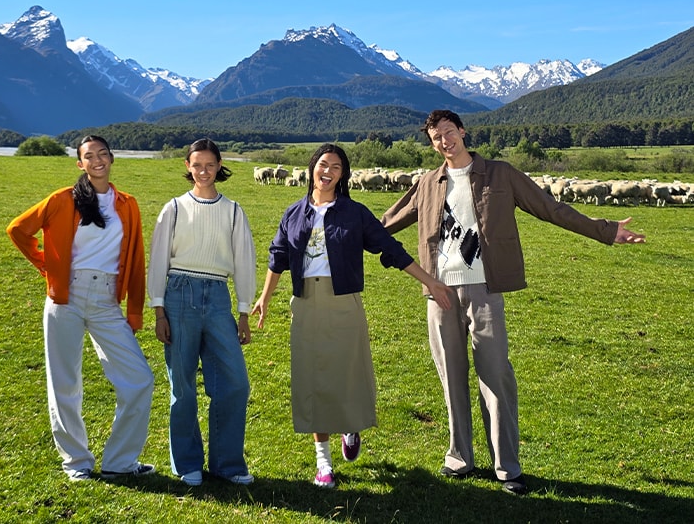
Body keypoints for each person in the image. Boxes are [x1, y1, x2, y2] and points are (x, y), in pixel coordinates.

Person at [381, 110, 646, 495]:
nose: (444, 141)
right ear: (432, 142)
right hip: (439, 292)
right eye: (436, 137)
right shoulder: (427, 183)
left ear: (463, 132)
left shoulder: (501, 174)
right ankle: (460, 457)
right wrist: (336, 232)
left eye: (449, 133)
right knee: (450, 376)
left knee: (496, 376)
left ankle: (507, 468)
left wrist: (605, 232)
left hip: (486, 288)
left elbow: (552, 209)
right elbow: (385, 224)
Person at [251, 143, 453, 489]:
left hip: (344, 302)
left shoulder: (354, 213)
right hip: (306, 304)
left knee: (347, 372)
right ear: (312, 168)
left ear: (343, 175)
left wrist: (430, 281)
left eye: (336, 167)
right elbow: (278, 257)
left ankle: (350, 424)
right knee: (313, 380)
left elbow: (390, 249)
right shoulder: (294, 214)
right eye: (323, 164)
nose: (327, 172)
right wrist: (264, 299)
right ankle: (323, 463)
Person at [6, 135, 155, 482]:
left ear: (112, 158)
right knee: (65, 383)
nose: (98, 160)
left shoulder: (127, 204)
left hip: (106, 301)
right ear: (80, 164)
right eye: (90, 156)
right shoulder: (62, 200)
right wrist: (49, 267)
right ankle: (76, 463)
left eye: (103, 153)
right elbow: (18, 230)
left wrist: (135, 311)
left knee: (139, 379)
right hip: (65, 299)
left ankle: (119, 462)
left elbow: (135, 260)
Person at [147, 138, 256, 487]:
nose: (204, 171)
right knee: (183, 385)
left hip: (218, 297)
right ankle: (188, 463)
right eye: (197, 164)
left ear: (219, 165)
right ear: (187, 166)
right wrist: (158, 311)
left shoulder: (234, 210)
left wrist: (243, 311)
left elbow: (244, 263)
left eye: (210, 164)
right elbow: (158, 261)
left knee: (235, 383)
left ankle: (227, 464)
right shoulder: (174, 208)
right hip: (178, 295)